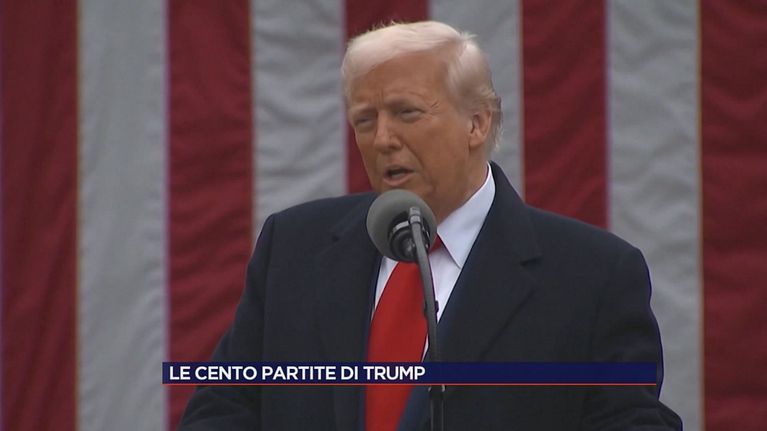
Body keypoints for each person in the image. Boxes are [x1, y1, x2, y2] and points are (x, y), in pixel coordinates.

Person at [179, 21, 682, 430]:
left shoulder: (591, 276)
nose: (383, 139)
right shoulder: (294, 248)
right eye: (365, 119)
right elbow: (222, 409)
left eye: (407, 113)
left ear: (477, 123)